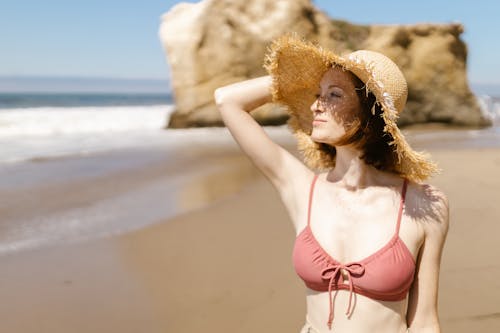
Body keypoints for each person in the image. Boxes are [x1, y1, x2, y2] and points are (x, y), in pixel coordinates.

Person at [214, 35, 449, 333]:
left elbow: (425, 321)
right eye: (317, 94)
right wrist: (297, 79)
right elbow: (227, 100)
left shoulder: (424, 203)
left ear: (369, 112)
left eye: (334, 95)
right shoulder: (301, 188)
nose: (315, 106)